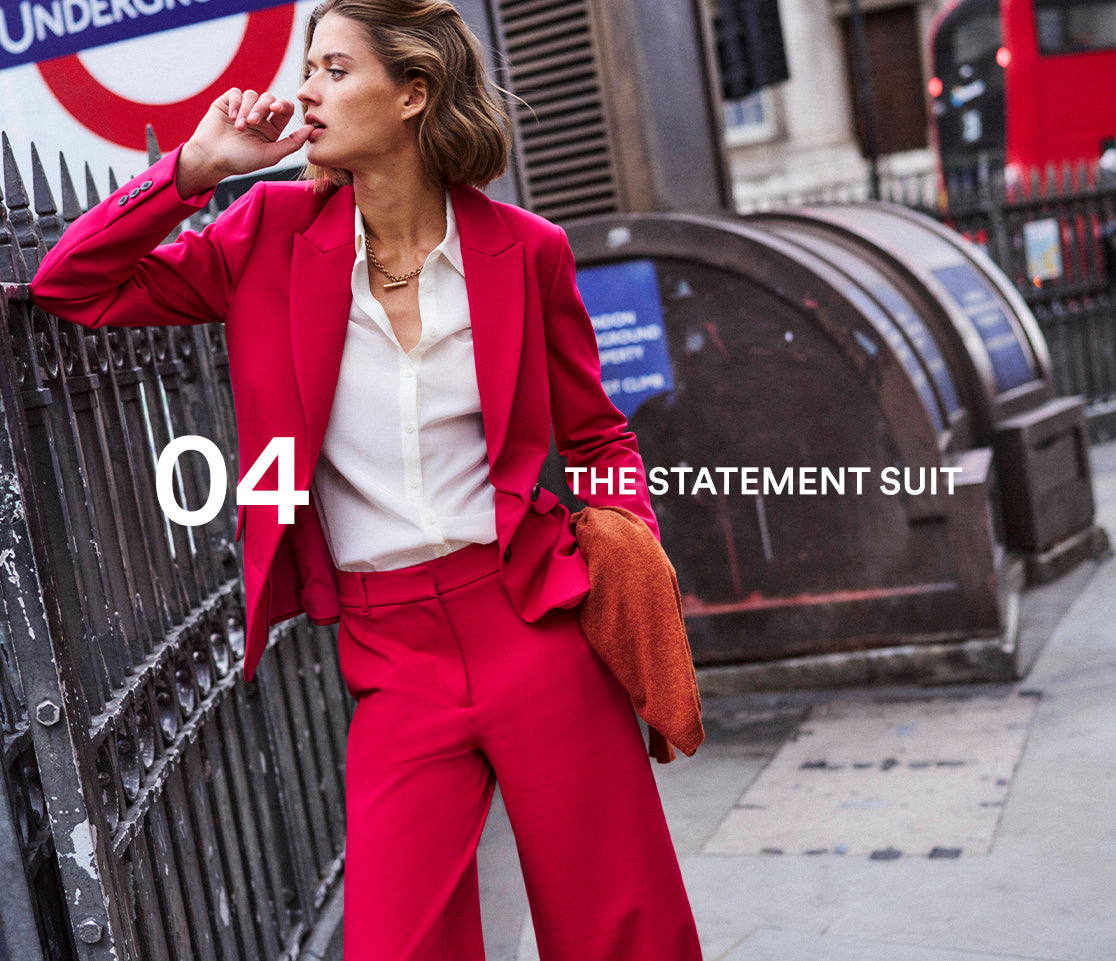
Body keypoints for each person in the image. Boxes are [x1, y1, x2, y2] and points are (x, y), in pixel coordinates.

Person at [31, 1, 703, 958]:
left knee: (620, 926)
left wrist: (628, 541)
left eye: (335, 69)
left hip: (532, 619)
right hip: (390, 652)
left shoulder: (526, 251)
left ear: (413, 93)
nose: (305, 89)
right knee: (395, 942)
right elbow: (71, 284)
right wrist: (196, 170)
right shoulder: (268, 235)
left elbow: (598, 435)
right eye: (308, 67)